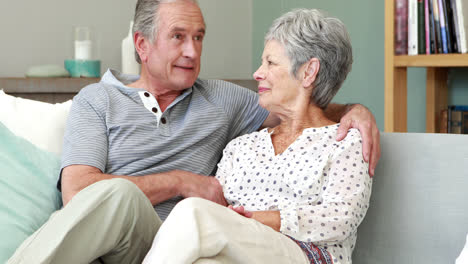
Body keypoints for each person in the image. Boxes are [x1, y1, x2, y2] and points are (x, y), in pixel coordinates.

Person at [8, 1, 378, 263]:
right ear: (142, 44)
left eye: (198, 37)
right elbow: (78, 194)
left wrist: (355, 111)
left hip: (189, 243)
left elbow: (301, 105)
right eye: (179, 37)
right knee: (118, 195)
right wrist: (180, 182)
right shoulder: (97, 100)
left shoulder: (223, 98)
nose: (191, 51)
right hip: (116, 240)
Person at [142, 8, 371, 264]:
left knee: (192, 212)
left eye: (270, 63)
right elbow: (219, 214)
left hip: (306, 254)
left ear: (309, 72)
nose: (257, 73)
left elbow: (340, 219)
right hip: (241, 250)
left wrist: (261, 219)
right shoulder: (242, 146)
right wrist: (237, 223)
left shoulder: (344, 142)